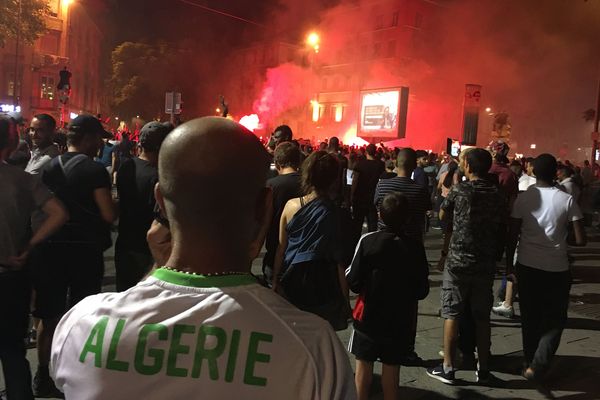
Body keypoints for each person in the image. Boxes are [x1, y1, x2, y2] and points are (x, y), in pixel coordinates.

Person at [50, 117, 356, 399]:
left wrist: (159, 266)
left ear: (161, 199)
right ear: (265, 208)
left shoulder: (82, 325)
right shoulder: (313, 350)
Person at [34, 115, 117, 397]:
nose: (100, 144)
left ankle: (43, 375)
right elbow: (107, 214)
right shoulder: (95, 170)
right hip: (84, 250)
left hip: (51, 249)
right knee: (84, 313)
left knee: (49, 314)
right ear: (88, 138)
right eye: (98, 139)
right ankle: (77, 371)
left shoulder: (48, 168)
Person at [0, 115, 67, 400]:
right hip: (11, 275)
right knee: (13, 349)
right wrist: (29, 245)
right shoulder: (22, 180)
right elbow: (59, 214)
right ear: (13, 141)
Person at [427, 148, 506, 385]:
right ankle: (483, 369)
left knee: (452, 313)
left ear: (469, 167)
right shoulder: (497, 193)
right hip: (485, 262)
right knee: (482, 317)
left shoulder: (460, 190)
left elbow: (442, 215)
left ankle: (448, 367)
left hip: (458, 261)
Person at [507, 154, 586, 381]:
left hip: (527, 264)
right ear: (555, 173)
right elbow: (580, 239)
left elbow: (512, 235)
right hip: (556, 267)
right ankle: (538, 364)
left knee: (530, 317)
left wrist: (508, 266)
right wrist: (562, 238)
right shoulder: (566, 199)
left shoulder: (523, 199)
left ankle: (528, 361)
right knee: (554, 319)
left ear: (533, 172)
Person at [346, 192, 429, 400]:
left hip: (368, 316)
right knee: (392, 369)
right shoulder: (415, 247)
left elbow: (353, 280)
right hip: (399, 318)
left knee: (363, 366)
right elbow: (422, 289)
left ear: (380, 215)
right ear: (407, 217)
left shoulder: (368, 241)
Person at [272, 151, 350, 331]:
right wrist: (345, 300)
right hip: (322, 285)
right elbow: (339, 261)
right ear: (333, 179)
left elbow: (281, 247)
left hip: (292, 280)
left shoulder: (291, 206)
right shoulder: (335, 213)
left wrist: (276, 280)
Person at [115, 121, 173, 291]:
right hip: (148, 251)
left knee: (125, 296)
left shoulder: (126, 167)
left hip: (125, 243)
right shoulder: (160, 176)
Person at [262, 142, 302, 285]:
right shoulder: (307, 185)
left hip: (275, 250)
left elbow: (264, 221)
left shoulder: (271, 185)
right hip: (300, 253)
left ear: (277, 162)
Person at [374, 148, 431, 242]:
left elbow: (377, 207)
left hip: (384, 240)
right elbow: (424, 212)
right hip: (411, 242)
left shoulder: (382, 185)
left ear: (396, 163)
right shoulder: (421, 190)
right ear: (414, 166)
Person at [352, 144, 384, 235]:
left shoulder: (360, 164)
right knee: (372, 225)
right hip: (373, 198)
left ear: (366, 152)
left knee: (357, 224)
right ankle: (371, 246)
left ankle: (355, 245)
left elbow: (355, 180)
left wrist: (351, 195)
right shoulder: (380, 165)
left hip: (359, 197)